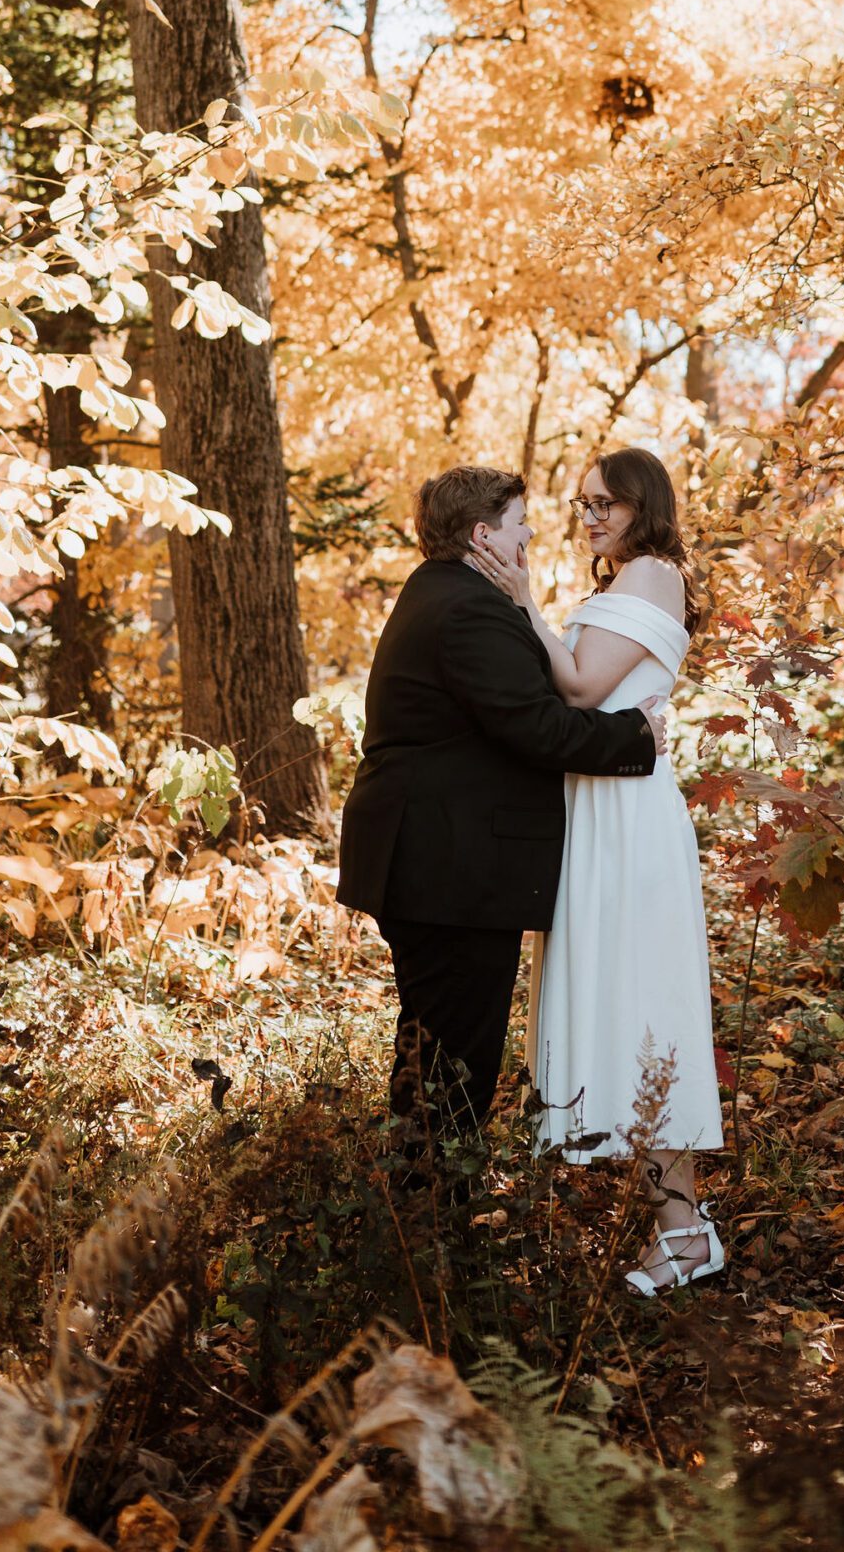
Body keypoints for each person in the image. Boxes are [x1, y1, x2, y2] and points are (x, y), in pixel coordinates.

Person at [337, 464, 662, 1185]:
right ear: (484, 535)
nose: (532, 536)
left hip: (433, 862)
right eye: (521, 525)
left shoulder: (444, 595)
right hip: (446, 868)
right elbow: (537, 727)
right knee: (457, 1063)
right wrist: (635, 736)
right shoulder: (468, 611)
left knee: (433, 1050)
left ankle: (415, 1219)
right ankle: (434, 1230)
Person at [470, 445, 725, 1297]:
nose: (590, 517)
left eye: (606, 504)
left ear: (643, 507)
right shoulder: (620, 583)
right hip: (594, 816)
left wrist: (524, 603)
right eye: (582, 504)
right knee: (618, 1011)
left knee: (649, 1012)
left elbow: (578, 690)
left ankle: (686, 1232)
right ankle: (671, 1222)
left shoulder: (652, 573)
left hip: (629, 821)